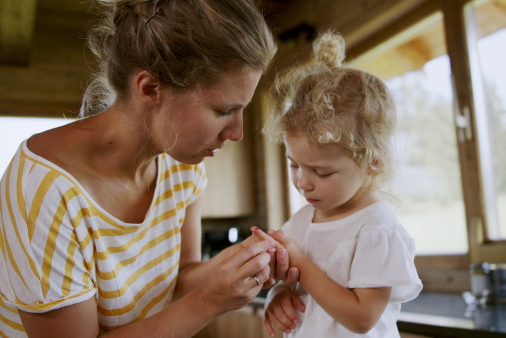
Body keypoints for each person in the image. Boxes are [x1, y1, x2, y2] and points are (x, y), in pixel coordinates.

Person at [0, 0, 295, 336]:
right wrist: (208, 302)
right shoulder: (44, 189)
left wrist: (241, 263)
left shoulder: (181, 165)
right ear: (150, 88)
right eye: (223, 110)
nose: (237, 133)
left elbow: (179, 276)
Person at [258, 30, 423, 337]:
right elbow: (290, 283)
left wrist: (301, 264)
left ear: (372, 161)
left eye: (321, 173)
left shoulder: (376, 230)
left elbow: (362, 318)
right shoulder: (302, 220)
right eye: (294, 165)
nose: (302, 183)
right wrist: (278, 296)